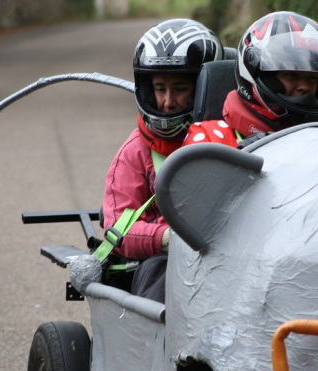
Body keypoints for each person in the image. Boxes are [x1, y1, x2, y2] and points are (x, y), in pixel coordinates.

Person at [100, 19, 235, 302]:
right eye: (160, 89)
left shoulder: (236, 137)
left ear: (204, 87)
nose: (167, 102)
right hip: (163, 263)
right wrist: (170, 240)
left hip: (232, 256)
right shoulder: (135, 151)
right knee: (161, 273)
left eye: (180, 88)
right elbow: (118, 230)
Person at [183, 11, 318, 147]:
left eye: (312, 77)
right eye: (291, 75)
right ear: (254, 74)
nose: (303, 86)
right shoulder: (209, 139)